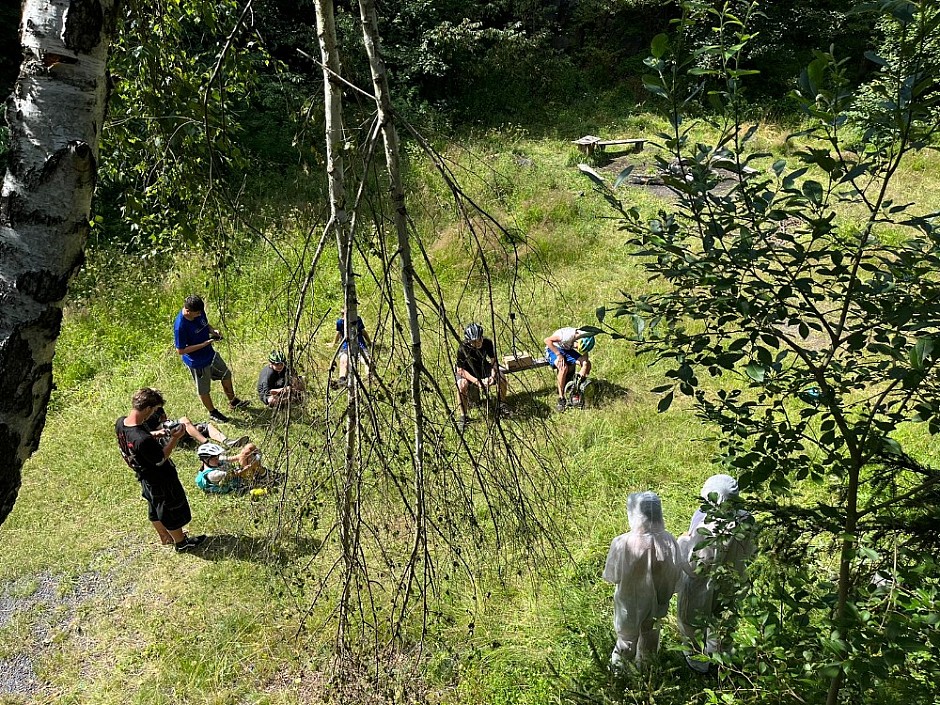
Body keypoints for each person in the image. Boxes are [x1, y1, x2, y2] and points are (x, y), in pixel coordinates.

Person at [676, 474, 756, 673]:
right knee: (723, 622)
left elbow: (694, 563)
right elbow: (752, 552)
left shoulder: (708, 524)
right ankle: (720, 661)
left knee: (691, 622)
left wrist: (683, 541)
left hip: (700, 584)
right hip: (733, 580)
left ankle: (697, 663)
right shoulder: (746, 519)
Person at [115, 387, 206, 552]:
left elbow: (141, 437)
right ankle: (181, 543)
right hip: (159, 478)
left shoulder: (122, 423)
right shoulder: (141, 440)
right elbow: (160, 458)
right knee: (168, 508)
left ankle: (164, 536)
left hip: (143, 475)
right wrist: (174, 438)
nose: (154, 413)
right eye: (155, 409)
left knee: (154, 505)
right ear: (148, 409)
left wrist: (161, 433)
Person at [603, 491, 681, 667]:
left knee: (626, 640)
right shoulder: (669, 541)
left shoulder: (622, 543)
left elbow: (612, 576)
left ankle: (619, 675)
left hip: (629, 604)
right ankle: (646, 672)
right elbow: (675, 574)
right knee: (650, 635)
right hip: (658, 603)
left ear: (633, 513)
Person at [173, 294, 248, 423]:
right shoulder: (180, 326)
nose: (199, 315)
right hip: (197, 362)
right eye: (196, 313)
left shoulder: (199, 312)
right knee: (204, 389)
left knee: (226, 374)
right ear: (188, 311)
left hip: (210, 354)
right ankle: (213, 412)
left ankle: (233, 401)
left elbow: (206, 324)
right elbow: (180, 350)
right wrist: (203, 345)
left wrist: (213, 331)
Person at [455, 322, 509, 430]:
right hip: (467, 371)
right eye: (474, 341)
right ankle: (463, 416)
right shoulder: (462, 349)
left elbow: (493, 360)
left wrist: (493, 375)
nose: (478, 343)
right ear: (469, 341)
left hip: (482, 367)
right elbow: (460, 370)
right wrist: (477, 382)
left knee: (501, 377)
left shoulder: (488, 343)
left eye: (480, 339)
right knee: (461, 385)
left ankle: (501, 404)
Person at [142, 406, 249, 449]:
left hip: (172, 427)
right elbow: (150, 434)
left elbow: (165, 419)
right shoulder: (144, 416)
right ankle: (208, 445)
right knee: (184, 420)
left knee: (206, 426)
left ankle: (227, 442)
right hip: (165, 436)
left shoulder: (158, 408)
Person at [544, 326, 595, 411]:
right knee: (563, 368)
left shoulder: (585, 335)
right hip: (553, 348)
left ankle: (577, 388)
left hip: (567, 350)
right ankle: (561, 398)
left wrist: (584, 366)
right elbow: (547, 340)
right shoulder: (566, 336)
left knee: (587, 364)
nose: (577, 347)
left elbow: (585, 357)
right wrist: (559, 355)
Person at [194, 441, 265, 494]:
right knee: (251, 460)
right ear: (205, 460)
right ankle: (264, 475)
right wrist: (251, 465)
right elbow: (237, 473)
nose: (217, 459)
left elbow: (234, 458)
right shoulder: (213, 475)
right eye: (214, 458)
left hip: (238, 473)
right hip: (239, 480)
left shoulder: (217, 460)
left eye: (217, 456)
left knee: (249, 447)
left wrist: (245, 455)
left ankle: (260, 472)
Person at [332, 307, 372, 385]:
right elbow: (339, 333)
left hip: (359, 344)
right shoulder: (340, 322)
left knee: (366, 359)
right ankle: (342, 379)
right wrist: (333, 343)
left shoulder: (357, 320)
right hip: (345, 346)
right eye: (342, 314)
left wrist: (369, 342)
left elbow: (363, 332)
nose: (344, 316)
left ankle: (369, 376)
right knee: (344, 360)